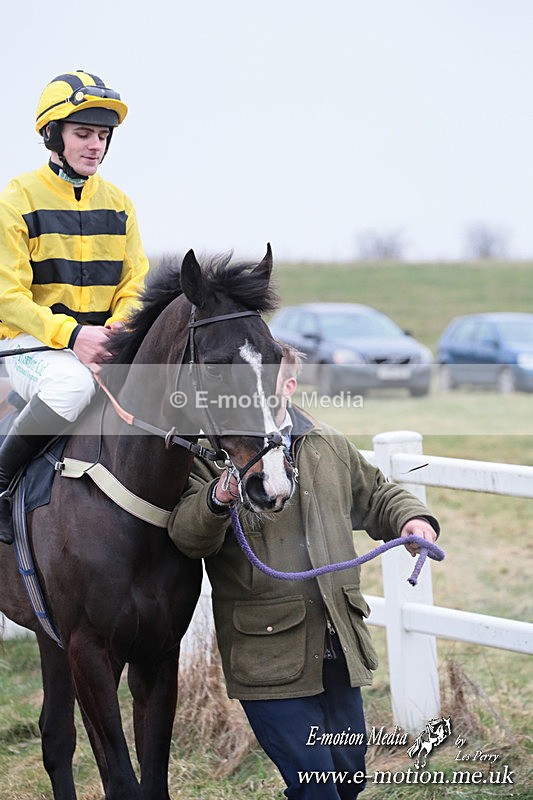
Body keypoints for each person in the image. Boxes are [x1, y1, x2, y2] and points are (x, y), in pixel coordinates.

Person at [167, 344, 440, 799]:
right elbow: (186, 536)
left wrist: (413, 520)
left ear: (288, 387)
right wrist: (220, 495)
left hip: (339, 646)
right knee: (317, 787)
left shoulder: (327, 444)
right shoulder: (211, 455)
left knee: (349, 779)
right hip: (269, 657)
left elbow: (376, 496)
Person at [0, 70, 149, 544]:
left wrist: (117, 330)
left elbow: (135, 283)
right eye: (83, 134)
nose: (95, 146)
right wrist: (72, 337)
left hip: (103, 343)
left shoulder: (121, 204)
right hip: (32, 345)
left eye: (102, 136)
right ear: (53, 135)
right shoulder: (17, 198)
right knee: (68, 385)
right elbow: (8, 297)